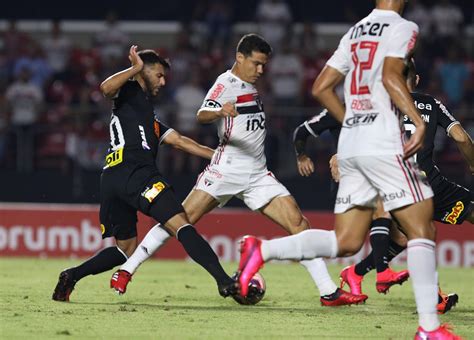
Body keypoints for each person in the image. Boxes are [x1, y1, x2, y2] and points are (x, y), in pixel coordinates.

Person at [237, 1, 461, 338]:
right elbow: (389, 75)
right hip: (383, 142)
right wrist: (414, 118)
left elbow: (321, 88)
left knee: (346, 241)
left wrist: (353, 123)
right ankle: (429, 328)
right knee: (422, 228)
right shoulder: (403, 27)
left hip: (353, 146)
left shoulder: (354, 31)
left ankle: (262, 249)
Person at [110, 34, 366, 307]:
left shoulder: (251, 85)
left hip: (257, 173)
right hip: (226, 170)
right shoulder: (226, 83)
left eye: (264, 65)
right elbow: (202, 114)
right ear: (240, 58)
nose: (261, 70)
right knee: (178, 221)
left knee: (299, 224)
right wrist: (220, 111)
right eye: (256, 63)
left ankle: (328, 292)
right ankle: (127, 269)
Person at [52, 46, 238, 302]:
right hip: (137, 173)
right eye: (159, 75)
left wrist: (220, 156)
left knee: (125, 249)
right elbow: (105, 89)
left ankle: (71, 275)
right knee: (181, 224)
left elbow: (182, 141)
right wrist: (135, 69)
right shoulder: (129, 91)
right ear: (145, 71)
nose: (163, 82)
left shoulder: (146, 118)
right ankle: (225, 281)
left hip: (112, 178)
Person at [338, 58, 473, 313]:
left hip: (396, 185)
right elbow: (461, 137)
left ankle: (355, 272)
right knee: (420, 236)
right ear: (417, 79)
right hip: (430, 183)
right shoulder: (431, 104)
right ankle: (433, 298)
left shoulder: (380, 104)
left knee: (403, 238)